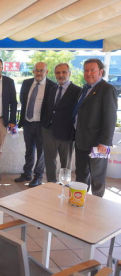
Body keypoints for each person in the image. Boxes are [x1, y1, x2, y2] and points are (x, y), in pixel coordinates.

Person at [73, 58, 118, 197]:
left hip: (98, 143)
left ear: (101, 71)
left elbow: (110, 118)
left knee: (97, 178)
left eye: (92, 70)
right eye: (86, 70)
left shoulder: (107, 89)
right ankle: (79, 202)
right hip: (81, 140)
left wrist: (105, 142)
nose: (89, 73)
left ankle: (97, 210)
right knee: (81, 175)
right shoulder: (85, 88)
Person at [15, 62, 55, 187]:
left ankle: (38, 177)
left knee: (41, 152)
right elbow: (23, 99)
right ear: (33, 71)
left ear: (46, 72)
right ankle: (27, 173)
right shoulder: (27, 83)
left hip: (42, 125)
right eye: (36, 70)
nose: (38, 73)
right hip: (28, 122)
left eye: (41, 70)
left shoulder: (52, 86)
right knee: (29, 150)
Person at [41, 63, 81, 183]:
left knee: (65, 163)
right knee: (49, 160)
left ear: (69, 73)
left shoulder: (78, 91)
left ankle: (65, 185)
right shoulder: (52, 89)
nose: (61, 75)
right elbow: (46, 108)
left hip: (66, 133)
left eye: (64, 72)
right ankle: (51, 183)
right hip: (49, 130)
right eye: (58, 73)